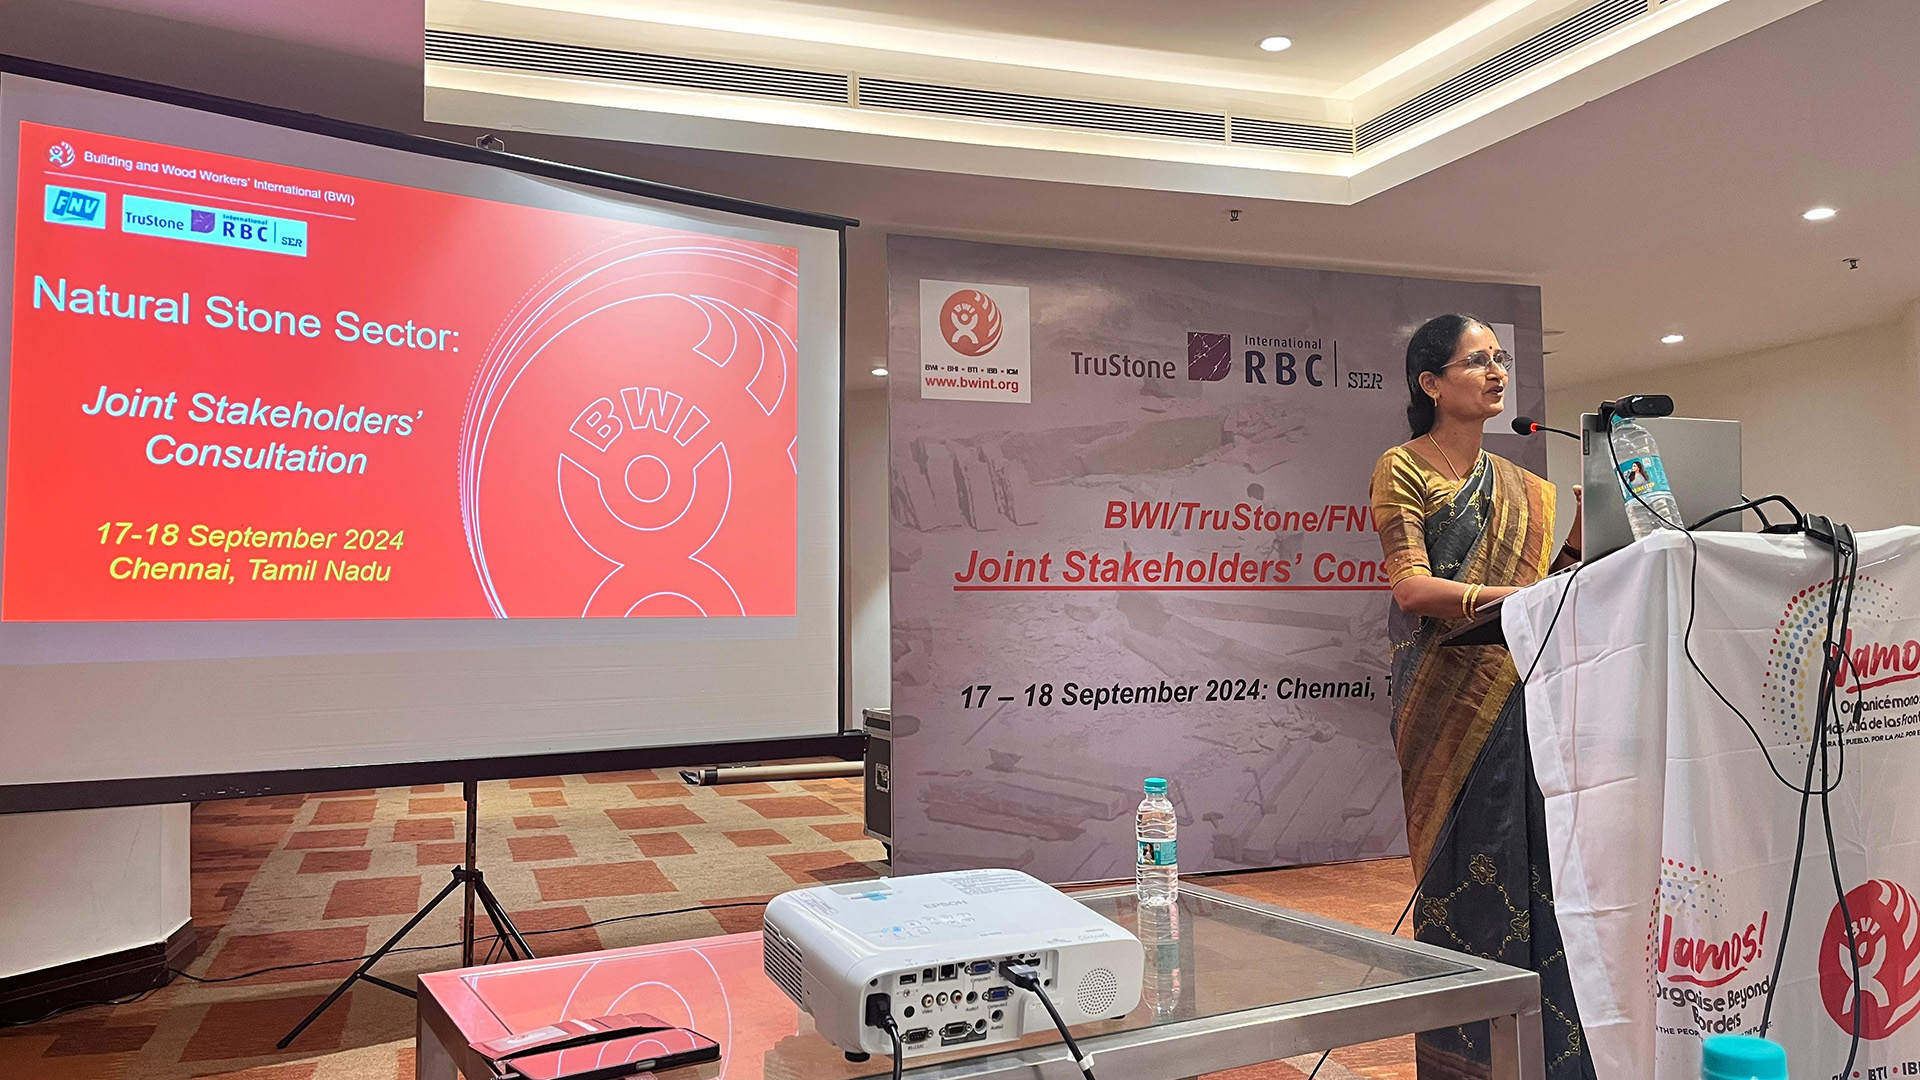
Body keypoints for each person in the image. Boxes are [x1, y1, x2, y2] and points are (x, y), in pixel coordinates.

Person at [1370, 314, 1593, 1080]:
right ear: (1430, 383)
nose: (1497, 372)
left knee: (1538, 864)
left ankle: (1549, 1054)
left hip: (1518, 695)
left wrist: (1582, 540)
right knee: (1464, 871)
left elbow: (1545, 596)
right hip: (1442, 708)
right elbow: (1410, 588)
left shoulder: (1527, 488)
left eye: (1501, 359)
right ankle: (1465, 1060)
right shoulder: (1403, 468)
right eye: (1476, 361)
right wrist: (1516, 596)